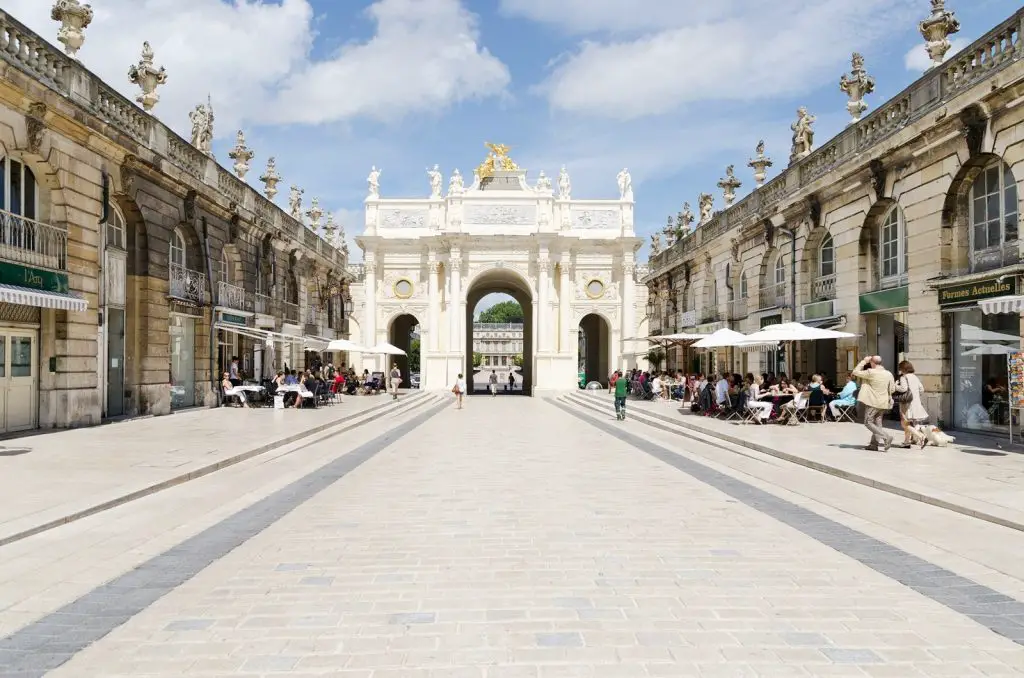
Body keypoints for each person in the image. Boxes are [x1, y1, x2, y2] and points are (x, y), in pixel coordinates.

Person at [852, 355, 896, 451]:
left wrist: (864, 361)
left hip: (873, 402)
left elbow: (855, 372)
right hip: (883, 403)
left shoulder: (871, 372)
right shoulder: (888, 374)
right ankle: (873, 445)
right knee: (878, 422)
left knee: (868, 422)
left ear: (872, 362)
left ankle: (886, 437)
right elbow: (892, 389)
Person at [895, 360, 929, 449]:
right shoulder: (914, 377)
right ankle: (907, 442)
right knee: (908, 423)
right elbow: (922, 389)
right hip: (915, 402)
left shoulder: (903, 377)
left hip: (906, 403)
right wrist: (915, 395)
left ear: (903, 369)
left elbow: (903, 388)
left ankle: (921, 436)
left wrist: (895, 386)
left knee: (904, 423)